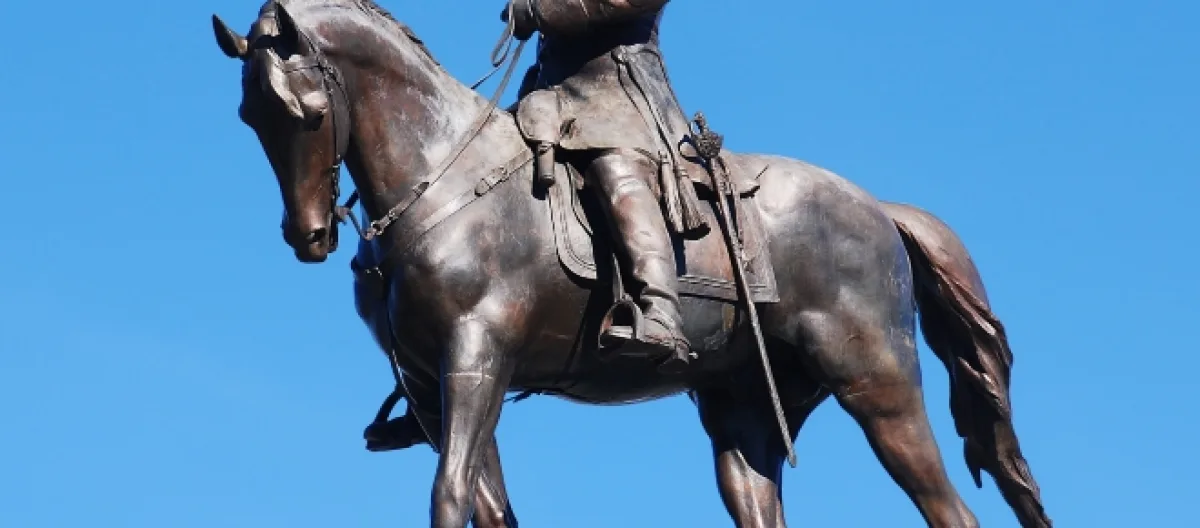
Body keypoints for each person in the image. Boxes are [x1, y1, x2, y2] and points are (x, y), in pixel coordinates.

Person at [504, 0, 702, 373]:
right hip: (549, 99)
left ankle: (661, 310)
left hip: (616, 98)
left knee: (617, 173)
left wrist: (539, 10)